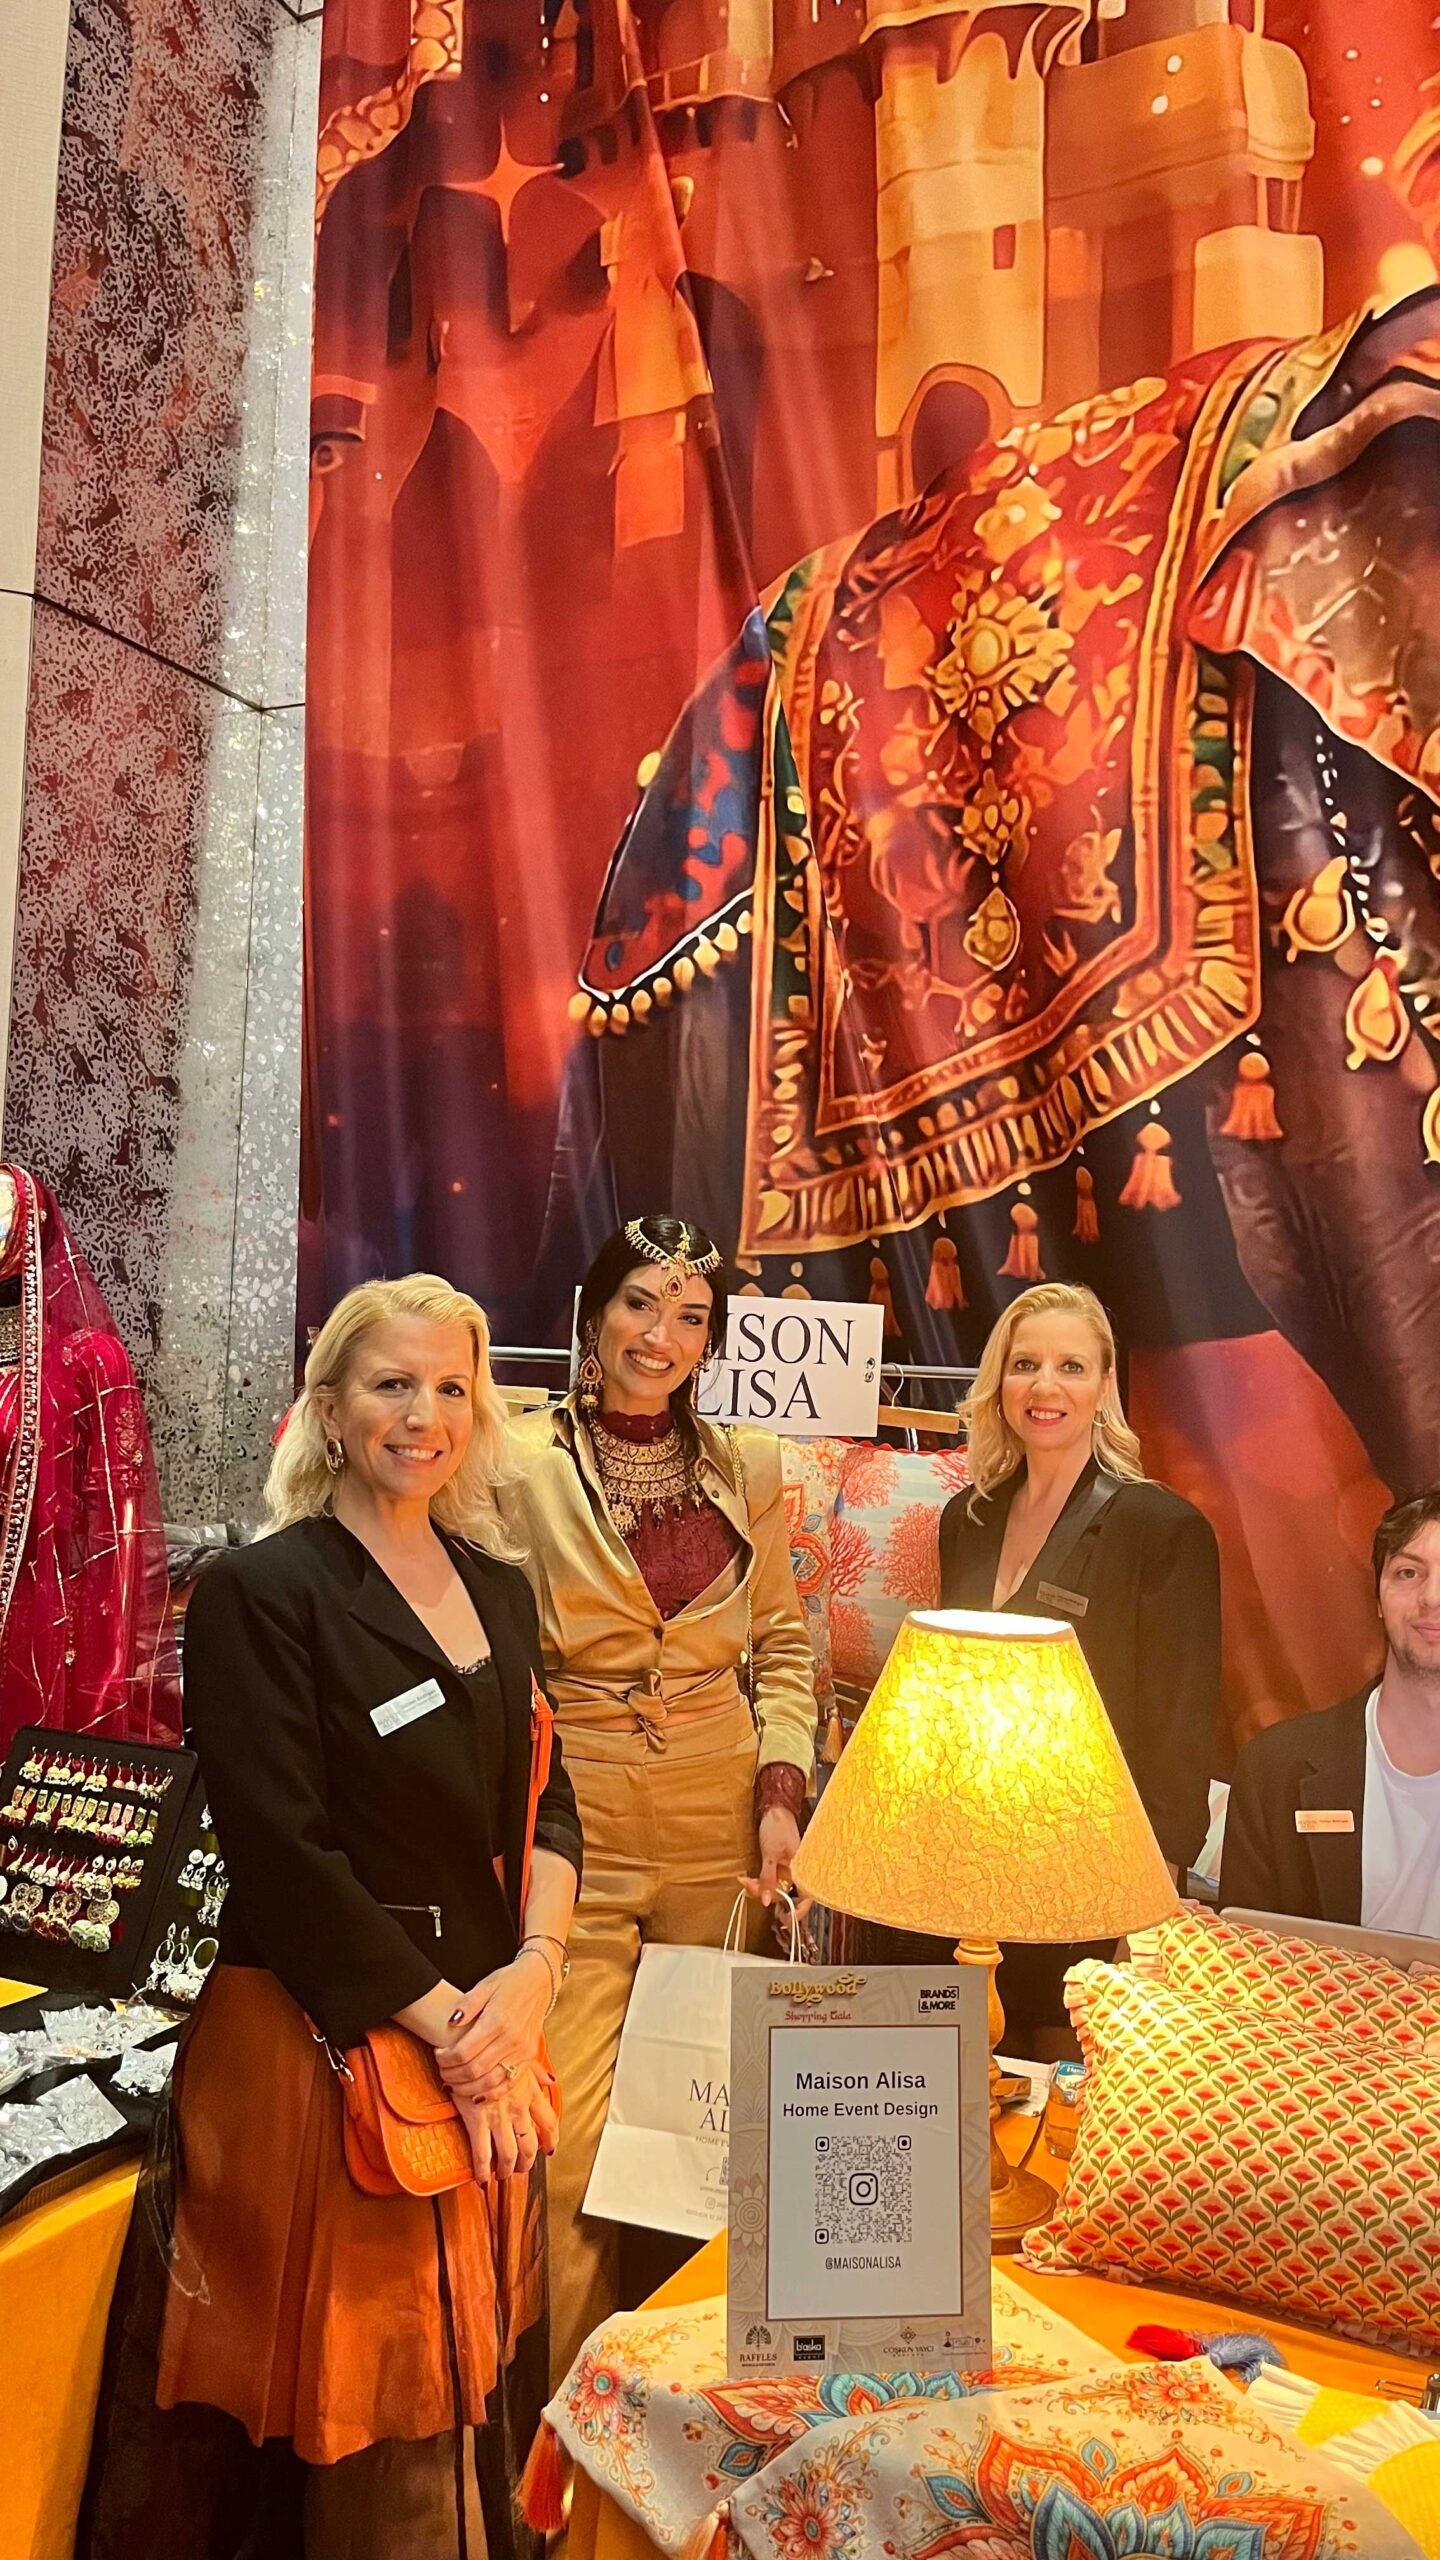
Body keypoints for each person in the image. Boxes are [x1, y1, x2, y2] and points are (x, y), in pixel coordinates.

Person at [80, 1274, 582, 2560]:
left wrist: (534, 1974)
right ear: (329, 1403)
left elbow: (554, 1806)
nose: (424, 1415)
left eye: (451, 1387)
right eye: (391, 1383)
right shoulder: (263, 1590)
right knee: (370, 2427)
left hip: (481, 2043)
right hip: (328, 2052)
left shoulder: (500, 1588)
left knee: (459, 2402)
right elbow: (281, 1858)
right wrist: (459, 2032)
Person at [505, 1214, 816, 2383]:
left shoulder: (751, 1464)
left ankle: (697, 2412)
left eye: (691, 1316)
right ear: (594, 1315)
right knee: (566, 2150)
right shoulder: (519, 1463)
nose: (662, 1334)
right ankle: (565, 2432)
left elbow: (782, 1643)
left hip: (718, 1817)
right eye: (641, 1303)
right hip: (575, 1816)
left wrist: (780, 1795)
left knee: (712, 2143)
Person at [903, 1282, 1219, 2048]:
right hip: (961, 1871)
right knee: (960, 2084)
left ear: (1105, 1385)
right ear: (999, 1382)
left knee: (1053, 2085)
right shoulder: (967, 1519)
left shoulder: (1162, 1530)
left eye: (1071, 1366)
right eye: (1026, 1364)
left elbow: (1179, 1742)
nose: (1045, 1386)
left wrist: (1148, 1913)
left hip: (1088, 1885)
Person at [0, 1160, 180, 1751]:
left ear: (29, 1227)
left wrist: (104, 1677)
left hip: (32, 1618)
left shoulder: (89, 1363)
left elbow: (119, 1541)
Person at [1220, 1489, 1440, 1936]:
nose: (1432, 1597)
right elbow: (1248, 1960)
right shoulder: (1274, 1772)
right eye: (1408, 1572)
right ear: (1377, 1599)